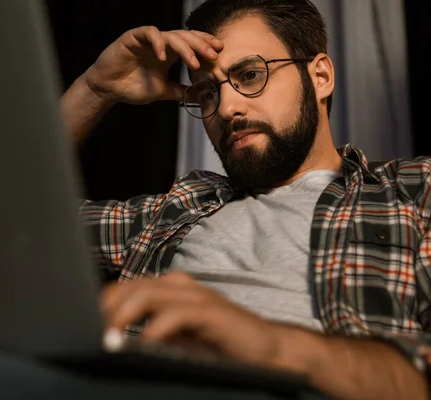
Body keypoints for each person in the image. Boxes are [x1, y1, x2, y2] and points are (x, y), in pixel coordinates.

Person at [61, 0, 431, 399]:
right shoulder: (177, 207)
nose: (227, 107)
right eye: (206, 94)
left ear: (320, 76)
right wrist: (95, 89)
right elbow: (1, 223)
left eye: (251, 75)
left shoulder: (411, 190)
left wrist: (268, 344)